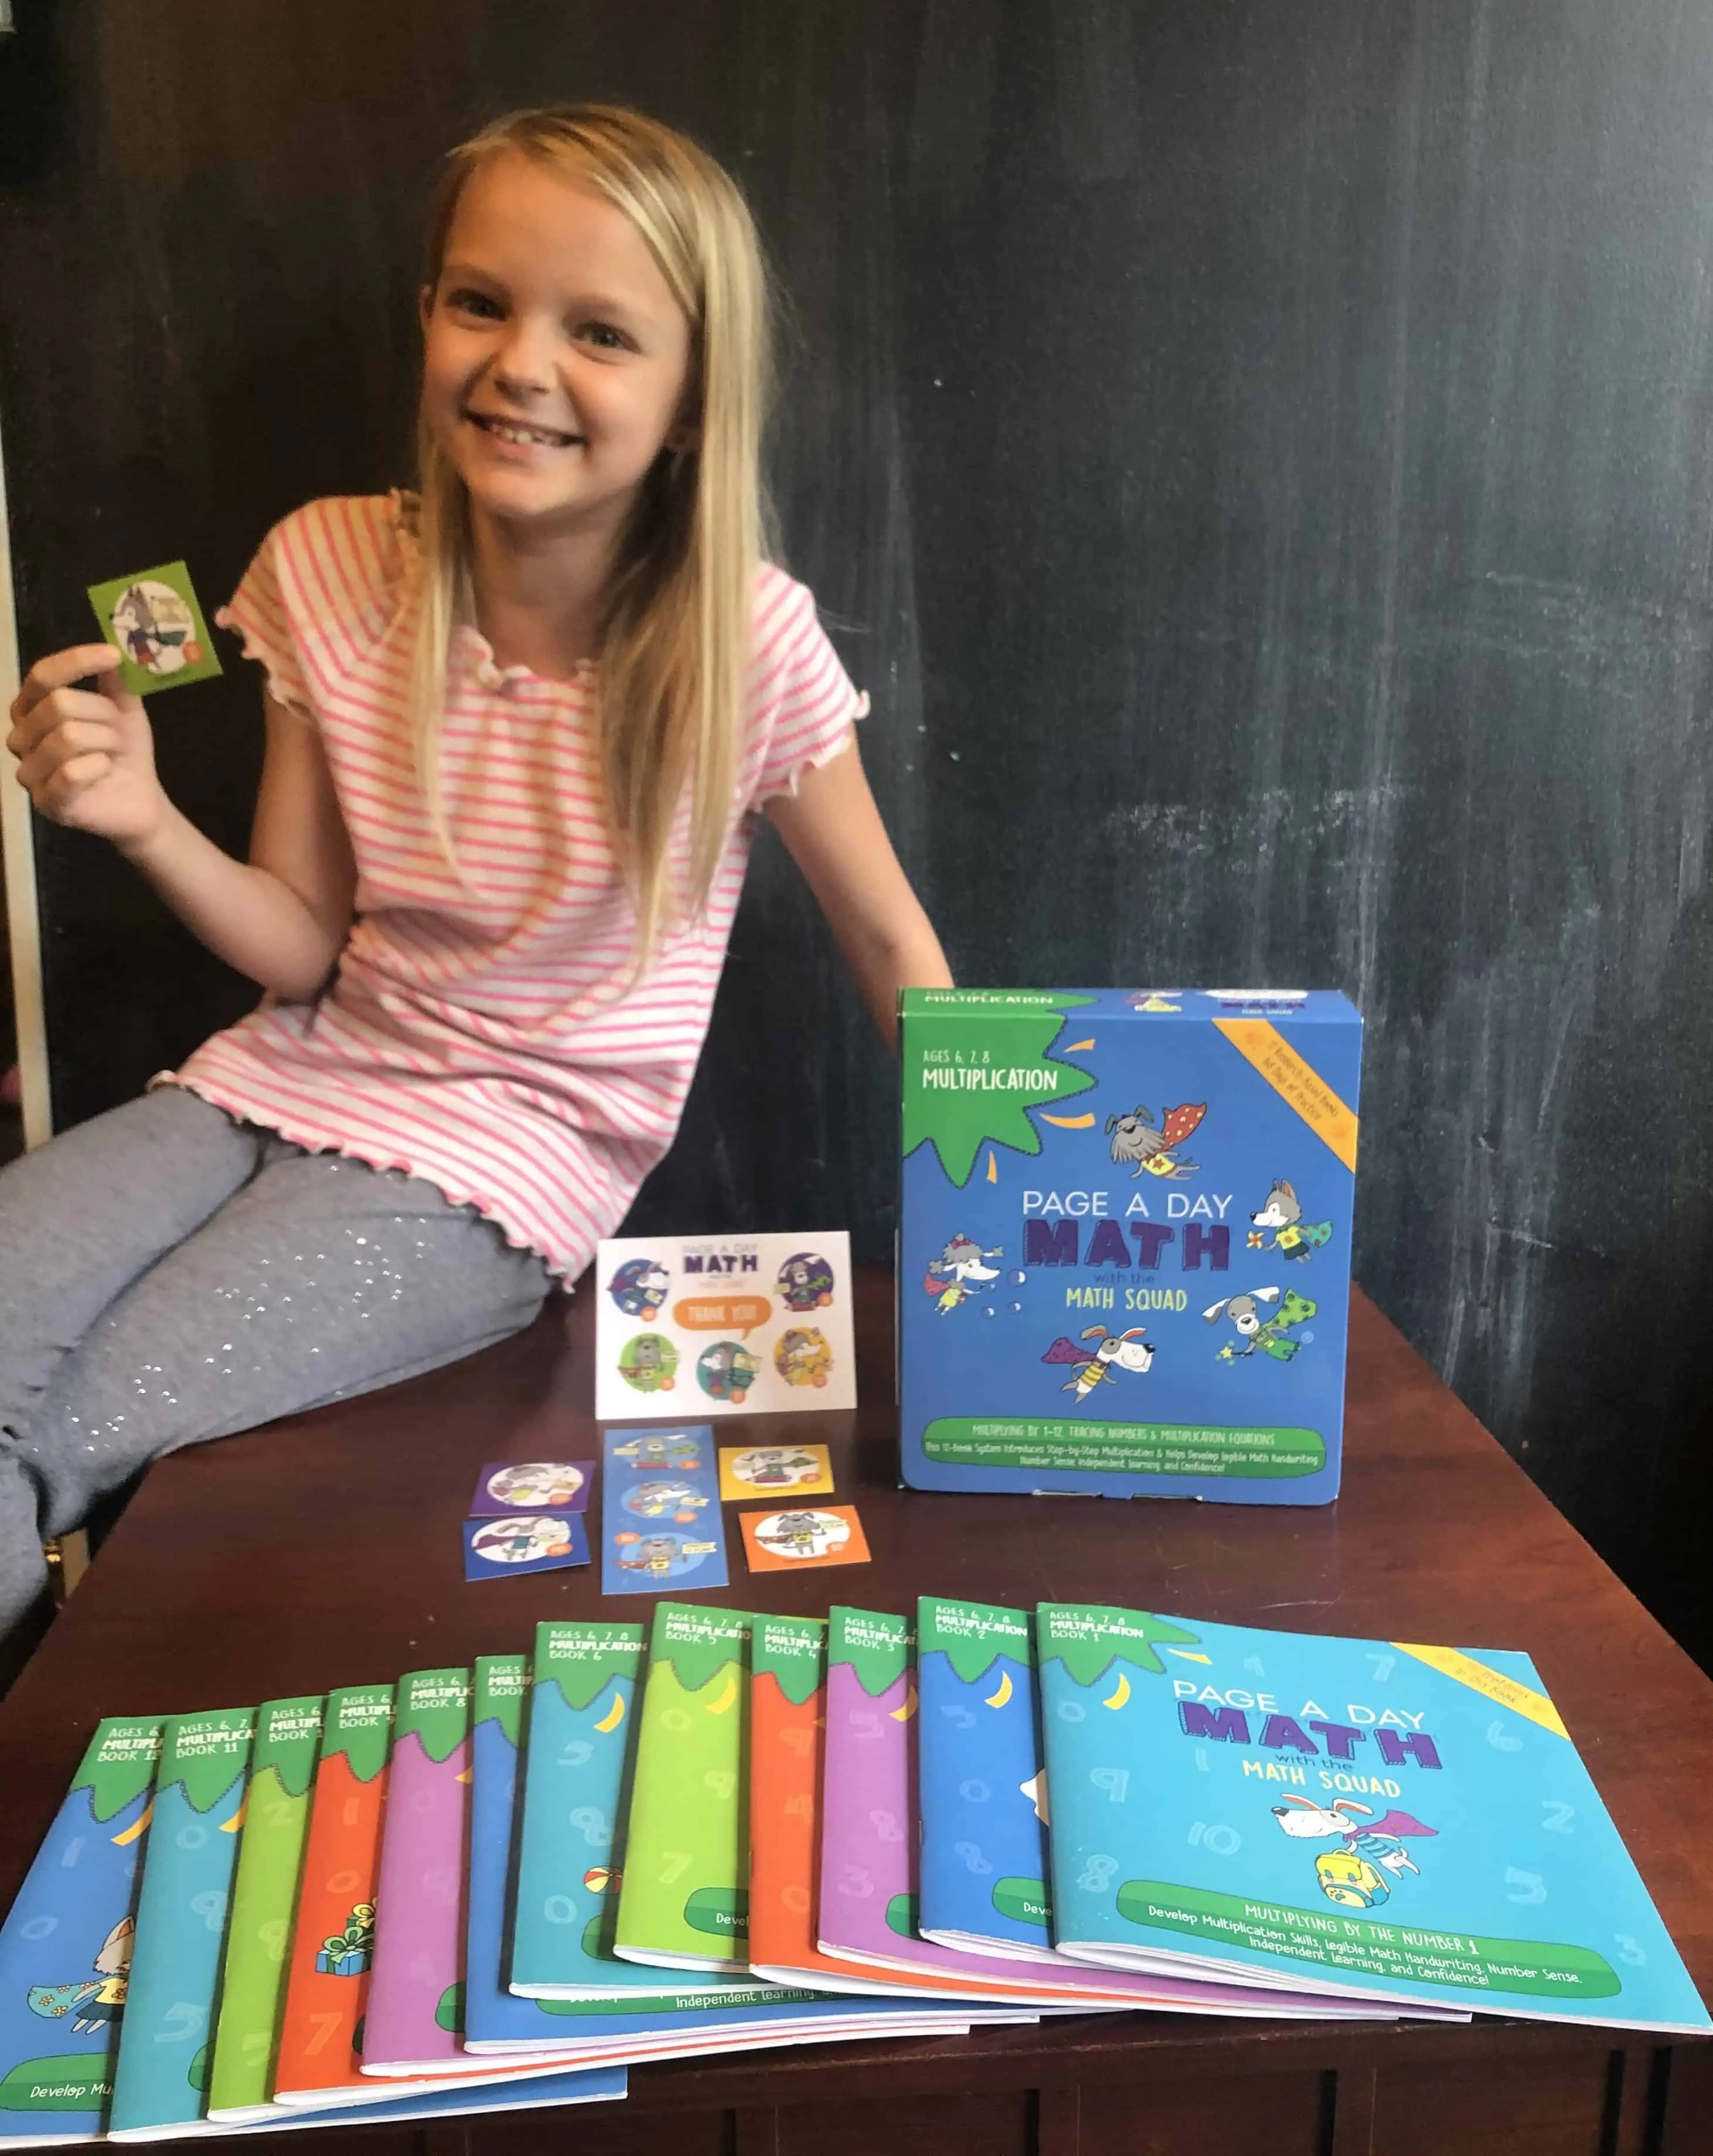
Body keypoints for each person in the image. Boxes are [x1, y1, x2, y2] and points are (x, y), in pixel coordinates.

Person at [0, 103, 950, 1644]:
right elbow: (300, 949)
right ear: (429, 315)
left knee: (66, 1435)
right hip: (284, 1073)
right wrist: (147, 822)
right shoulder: (322, 565)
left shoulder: (744, 644)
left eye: (602, 331)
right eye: (480, 302)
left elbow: (889, 941)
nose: (521, 364)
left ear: (695, 395)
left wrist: (1025, 1202)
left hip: (504, 1161)